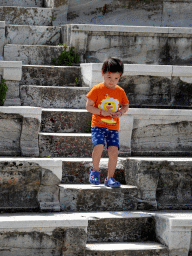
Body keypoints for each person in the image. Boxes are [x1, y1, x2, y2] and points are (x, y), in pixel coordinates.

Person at [86, 57, 129, 188]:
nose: (112, 81)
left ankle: (110, 178)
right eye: (109, 77)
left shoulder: (120, 91)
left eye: (116, 78)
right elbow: (88, 106)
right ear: (103, 73)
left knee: (114, 151)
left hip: (113, 127)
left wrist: (121, 112)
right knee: (98, 146)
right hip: (98, 125)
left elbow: (126, 105)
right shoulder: (97, 89)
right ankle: (95, 171)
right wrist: (101, 112)